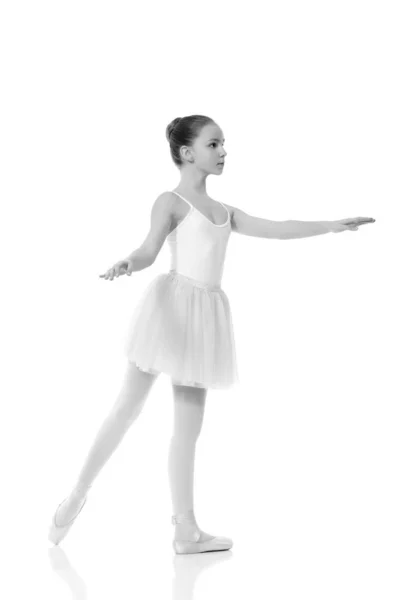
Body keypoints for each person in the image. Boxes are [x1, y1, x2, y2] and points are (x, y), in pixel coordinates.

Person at [48, 114, 375, 554]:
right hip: (171, 310)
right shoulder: (170, 201)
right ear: (187, 153)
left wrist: (331, 225)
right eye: (214, 144)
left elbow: (277, 229)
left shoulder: (226, 213)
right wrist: (129, 261)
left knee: (188, 429)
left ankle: (186, 529)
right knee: (127, 408)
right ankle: (76, 495)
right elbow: (148, 249)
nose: (223, 152)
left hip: (206, 319)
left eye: (223, 144)